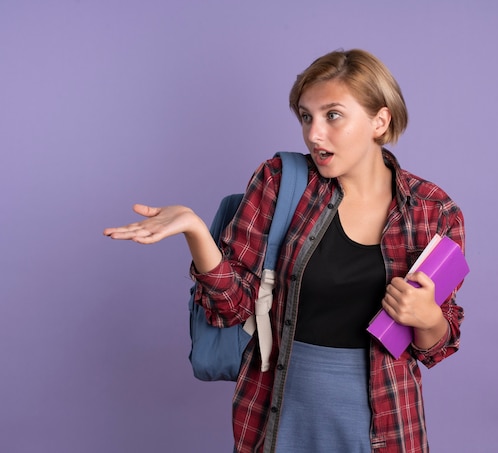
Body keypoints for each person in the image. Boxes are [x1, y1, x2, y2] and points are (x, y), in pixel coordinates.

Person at [104, 48, 466, 453]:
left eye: (332, 115)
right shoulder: (280, 183)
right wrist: (195, 230)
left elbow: (437, 345)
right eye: (306, 116)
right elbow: (232, 308)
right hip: (281, 410)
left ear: (379, 120)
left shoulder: (432, 210)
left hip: (385, 421)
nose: (314, 133)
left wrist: (428, 317)